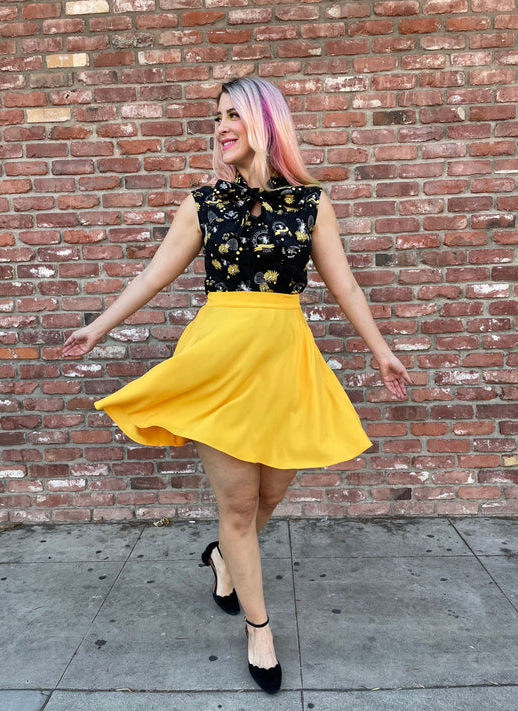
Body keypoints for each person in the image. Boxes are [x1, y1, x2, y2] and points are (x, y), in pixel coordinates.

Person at [62, 77, 411, 694]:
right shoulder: (203, 204)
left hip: (283, 365)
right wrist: (97, 327)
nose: (221, 126)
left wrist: (382, 352)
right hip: (218, 365)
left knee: (271, 493)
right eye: (217, 117)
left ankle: (223, 558)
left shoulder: (311, 203)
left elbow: (346, 286)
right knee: (240, 508)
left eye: (233, 115)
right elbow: (152, 278)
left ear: (265, 124)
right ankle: (259, 628)